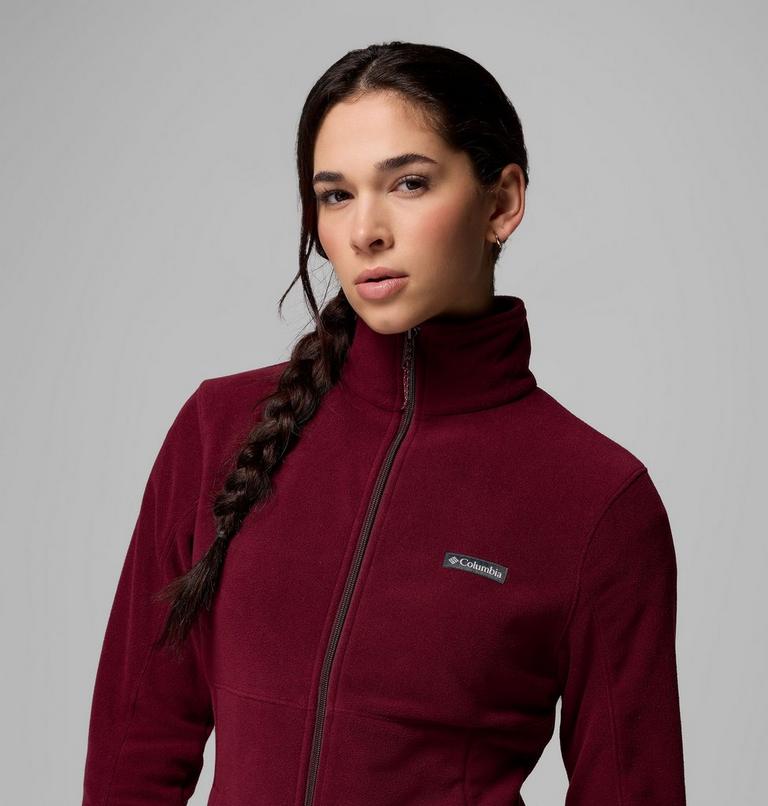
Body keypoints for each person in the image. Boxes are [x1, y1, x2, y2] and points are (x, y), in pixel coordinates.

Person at [82, 41, 686, 805]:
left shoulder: (598, 499)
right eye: (336, 195)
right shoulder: (217, 428)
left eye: (408, 183)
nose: (366, 230)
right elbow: (133, 752)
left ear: (501, 202)